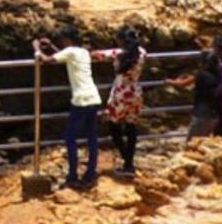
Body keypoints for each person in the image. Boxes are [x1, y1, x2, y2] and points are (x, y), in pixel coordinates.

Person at [35, 26, 102, 189]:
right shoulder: (83, 52)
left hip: (80, 100)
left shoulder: (70, 51)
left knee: (70, 138)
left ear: (67, 40)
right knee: (92, 138)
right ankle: (90, 173)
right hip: (94, 97)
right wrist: (51, 47)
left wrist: (36, 47)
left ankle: (73, 175)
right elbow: (64, 56)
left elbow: (46, 60)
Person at [96, 29, 144, 176]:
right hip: (135, 92)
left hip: (120, 94)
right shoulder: (142, 53)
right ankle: (129, 163)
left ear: (122, 40)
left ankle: (126, 159)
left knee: (113, 126)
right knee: (131, 128)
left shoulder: (118, 53)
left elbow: (97, 55)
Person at [168, 52, 222, 140]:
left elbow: (182, 84)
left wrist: (168, 81)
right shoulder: (220, 75)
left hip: (201, 115)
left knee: (191, 143)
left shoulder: (200, 75)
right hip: (214, 116)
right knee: (203, 141)